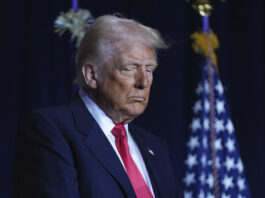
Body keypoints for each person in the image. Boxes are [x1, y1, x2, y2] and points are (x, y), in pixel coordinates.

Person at [13, 15, 182, 198]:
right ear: (92, 75)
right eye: (129, 68)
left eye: (149, 70)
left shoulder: (155, 145)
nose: (144, 82)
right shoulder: (50, 130)